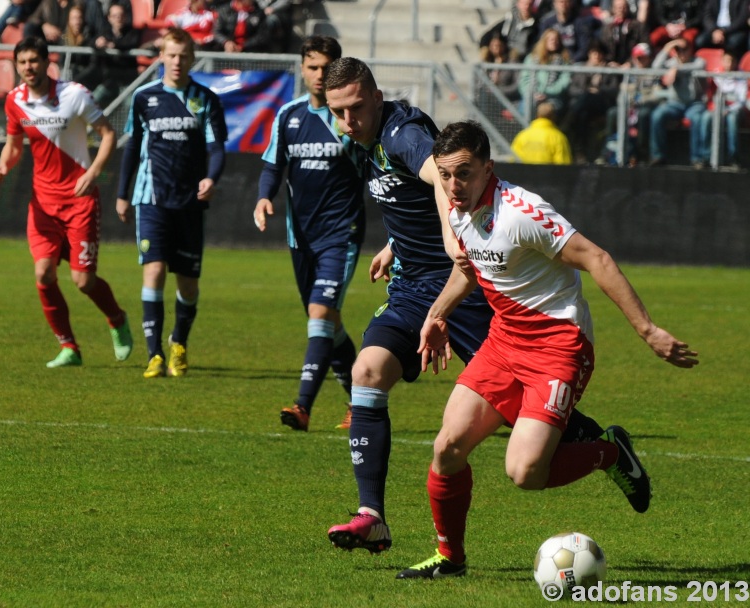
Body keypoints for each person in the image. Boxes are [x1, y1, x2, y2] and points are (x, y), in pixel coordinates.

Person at [323, 57, 608, 555]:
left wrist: (446, 230)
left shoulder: (401, 132)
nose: (349, 121)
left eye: (356, 108)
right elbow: (404, 196)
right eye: (338, 112)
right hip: (414, 290)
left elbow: (436, 174)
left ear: (374, 96)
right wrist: (395, 244)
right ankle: (372, 516)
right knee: (367, 371)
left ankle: (598, 443)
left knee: (529, 418)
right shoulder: (362, 143)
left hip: (464, 286)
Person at [396, 120, 699, 579]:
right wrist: (437, 316)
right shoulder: (459, 210)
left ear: (487, 168)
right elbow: (471, 269)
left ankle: (611, 453)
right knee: (448, 447)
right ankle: (450, 559)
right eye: (444, 174)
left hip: (559, 347)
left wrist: (648, 330)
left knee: (525, 473)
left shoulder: (522, 212)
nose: (453, 186)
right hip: (503, 343)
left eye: (464, 173)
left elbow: (597, 258)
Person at [0, 36, 133, 368]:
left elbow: (108, 134)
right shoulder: (15, 101)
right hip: (42, 204)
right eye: (22, 62)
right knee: (43, 274)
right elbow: (13, 147)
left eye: (34, 61)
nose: (29, 67)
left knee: (83, 281)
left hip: (79, 201)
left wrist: (94, 172)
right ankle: (69, 347)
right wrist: (2, 167)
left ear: (46, 62)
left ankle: (116, 318)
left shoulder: (74, 95)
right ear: (16, 65)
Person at [254, 36, 366, 432]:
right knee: (328, 324)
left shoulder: (350, 120)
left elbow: (374, 173)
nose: (319, 75)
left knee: (320, 316)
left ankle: (302, 407)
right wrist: (263, 199)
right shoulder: (288, 115)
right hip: (299, 237)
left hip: (341, 234)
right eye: (313, 67)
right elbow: (273, 166)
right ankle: (361, 401)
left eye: (327, 67)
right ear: (302, 68)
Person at [116, 28, 228, 378]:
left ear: (192, 58)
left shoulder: (205, 99)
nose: (177, 61)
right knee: (154, 269)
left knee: (188, 283)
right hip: (151, 199)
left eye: (183, 55)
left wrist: (211, 177)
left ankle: (178, 341)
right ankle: (154, 355)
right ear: (161, 56)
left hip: (190, 203)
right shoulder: (144, 98)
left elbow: (216, 147)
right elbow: (133, 146)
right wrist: (122, 192)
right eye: (171, 54)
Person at [648, 37, 707, 167]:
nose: (681, 53)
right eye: (678, 50)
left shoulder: (698, 61)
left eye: (684, 50)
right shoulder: (672, 62)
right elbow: (655, 67)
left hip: (694, 104)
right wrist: (667, 47)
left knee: (697, 118)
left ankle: (697, 159)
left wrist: (677, 69)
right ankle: (658, 156)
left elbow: (699, 66)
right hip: (674, 104)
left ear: (690, 50)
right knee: (657, 115)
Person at [562, 38, 620, 162]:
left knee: (586, 99)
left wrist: (599, 91)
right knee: (583, 113)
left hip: (602, 103)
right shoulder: (582, 68)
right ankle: (580, 151)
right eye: (594, 52)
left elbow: (614, 90)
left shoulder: (609, 70)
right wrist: (587, 92)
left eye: (599, 53)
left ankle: (568, 122)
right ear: (589, 53)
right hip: (583, 105)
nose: (597, 56)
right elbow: (572, 89)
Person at [698, 49, 748, 171]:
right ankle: (705, 157)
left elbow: (741, 100)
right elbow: (711, 95)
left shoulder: (741, 76)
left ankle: (733, 159)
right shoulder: (716, 75)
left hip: (734, 110)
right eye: (726, 60)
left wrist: (729, 109)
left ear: (736, 62)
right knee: (705, 118)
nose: (729, 64)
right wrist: (717, 108)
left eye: (731, 61)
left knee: (732, 119)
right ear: (722, 61)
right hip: (717, 108)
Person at [88, 2, 141, 108]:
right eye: (115, 16)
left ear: (125, 17)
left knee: (130, 106)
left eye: (121, 15)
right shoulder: (105, 32)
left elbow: (130, 43)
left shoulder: (132, 32)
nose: (118, 18)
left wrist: (113, 45)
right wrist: (98, 43)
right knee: (91, 102)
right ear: (109, 18)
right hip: (110, 82)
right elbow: (91, 42)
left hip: (128, 82)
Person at [519, 28, 572, 118]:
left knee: (545, 111)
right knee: (525, 107)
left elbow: (564, 81)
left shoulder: (565, 60)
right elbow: (524, 79)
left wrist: (546, 93)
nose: (554, 42)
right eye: (551, 39)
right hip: (532, 96)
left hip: (553, 98)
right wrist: (533, 93)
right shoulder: (531, 58)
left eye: (556, 39)